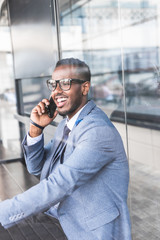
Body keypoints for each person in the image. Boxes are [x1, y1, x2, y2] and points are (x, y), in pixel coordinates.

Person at [0, 58, 131, 240]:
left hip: (90, 231)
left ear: (85, 88)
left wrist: (3, 213)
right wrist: (35, 129)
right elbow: (36, 168)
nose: (57, 91)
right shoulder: (67, 125)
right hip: (61, 218)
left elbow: (59, 184)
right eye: (54, 85)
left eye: (65, 83)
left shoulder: (97, 130)